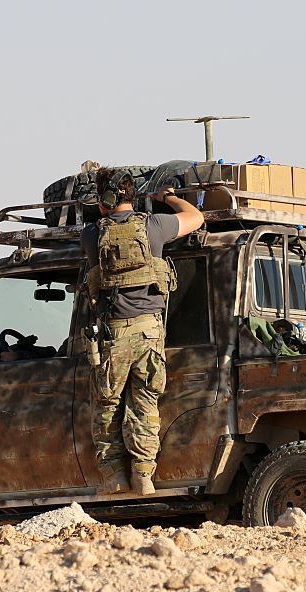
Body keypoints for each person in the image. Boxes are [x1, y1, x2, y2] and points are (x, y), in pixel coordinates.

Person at [80, 167, 204, 495]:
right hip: (150, 332)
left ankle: (113, 477)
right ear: (132, 196)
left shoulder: (92, 234)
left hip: (114, 334)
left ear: (104, 200)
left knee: (108, 404)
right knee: (145, 402)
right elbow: (197, 217)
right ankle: (143, 475)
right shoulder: (154, 227)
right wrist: (169, 198)